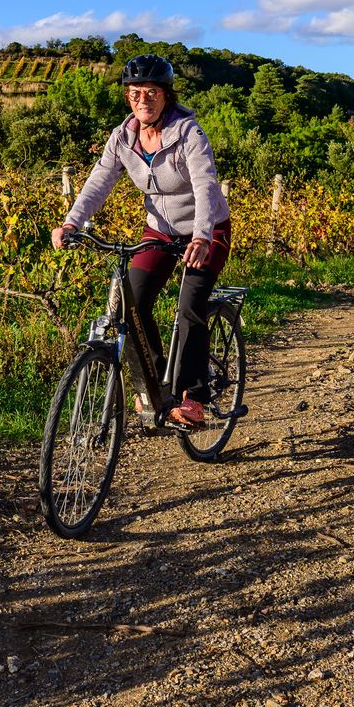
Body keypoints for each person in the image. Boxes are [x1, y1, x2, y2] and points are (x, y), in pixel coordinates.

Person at [52, 53, 232, 429]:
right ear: (127, 97)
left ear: (165, 95)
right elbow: (99, 182)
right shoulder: (122, 137)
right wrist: (72, 222)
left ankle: (194, 396)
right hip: (159, 231)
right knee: (131, 304)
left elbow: (205, 186)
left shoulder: (188, 134)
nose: (142, 100)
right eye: (135, 93)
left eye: (150, 92)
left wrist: (201, 237)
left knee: (190, 307)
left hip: (206, 229)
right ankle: (156, 383)